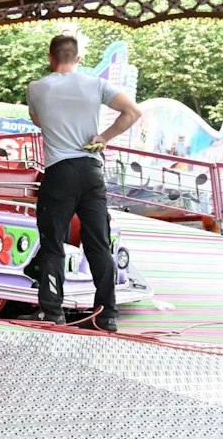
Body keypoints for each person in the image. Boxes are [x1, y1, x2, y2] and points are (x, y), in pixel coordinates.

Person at [23, 34, 142, 331]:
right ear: (78, 59)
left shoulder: (36, 88)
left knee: (53, 245)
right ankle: (106, 316)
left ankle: (52, 312)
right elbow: (132, 112)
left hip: (59, 172)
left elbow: (38, 120)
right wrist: (104, 137)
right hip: (91, 170)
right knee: (98, 244)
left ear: (50, 58)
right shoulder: (95, 84)